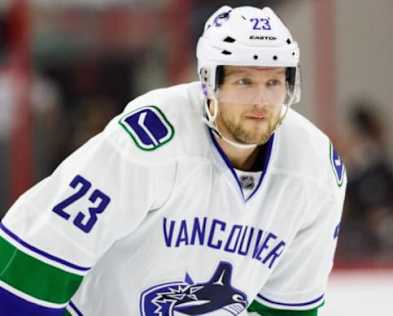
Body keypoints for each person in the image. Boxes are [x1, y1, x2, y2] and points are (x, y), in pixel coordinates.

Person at [0, 5, 346, 316]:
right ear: (209, 83)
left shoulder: (314, 169)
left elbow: (286, 309)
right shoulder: (150, 143)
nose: (261, 100)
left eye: (273, 82)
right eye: (244, 81)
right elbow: (38, 260)